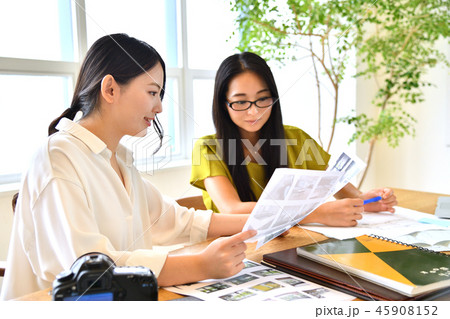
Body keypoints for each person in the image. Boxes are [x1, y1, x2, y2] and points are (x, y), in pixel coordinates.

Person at [0, 34, 255, 301]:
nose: (158, 107)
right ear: (110, 89)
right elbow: (90, 270)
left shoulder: (118, 159)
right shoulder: (57, 157)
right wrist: (200, 265)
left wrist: (258, 223)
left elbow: (177, 220)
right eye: (152, 92)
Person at [190, 52, 398, 226]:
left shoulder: (296, 138)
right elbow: (232, 210)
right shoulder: (207, 149)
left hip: (291, 245)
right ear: (223, 104)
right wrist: (316, 214)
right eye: (241, 102)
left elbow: (345, 192)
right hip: (238, 252)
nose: (254, 112)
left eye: (263, 99)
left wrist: (366, 200)